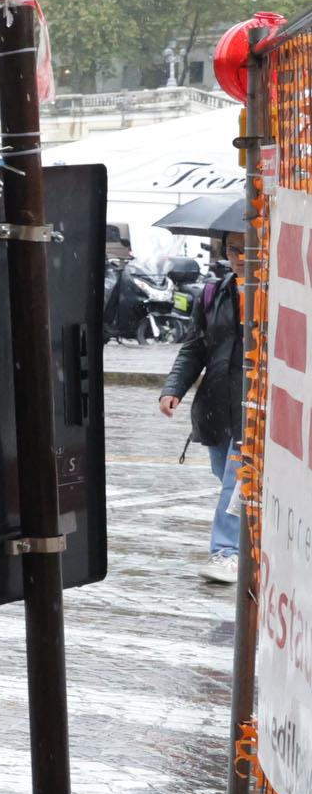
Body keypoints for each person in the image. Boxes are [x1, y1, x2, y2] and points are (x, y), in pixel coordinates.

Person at [161, 233, 246, 586]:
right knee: (226, 475)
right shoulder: (214, 292)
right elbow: (195, 346)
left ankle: (227, 552)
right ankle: (252, 540)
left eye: (247, 247)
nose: (241, 256)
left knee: (237, 479)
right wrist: (174, 388)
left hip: (254, 406)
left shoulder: (280, 291)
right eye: (233, 249)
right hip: (215, 404)